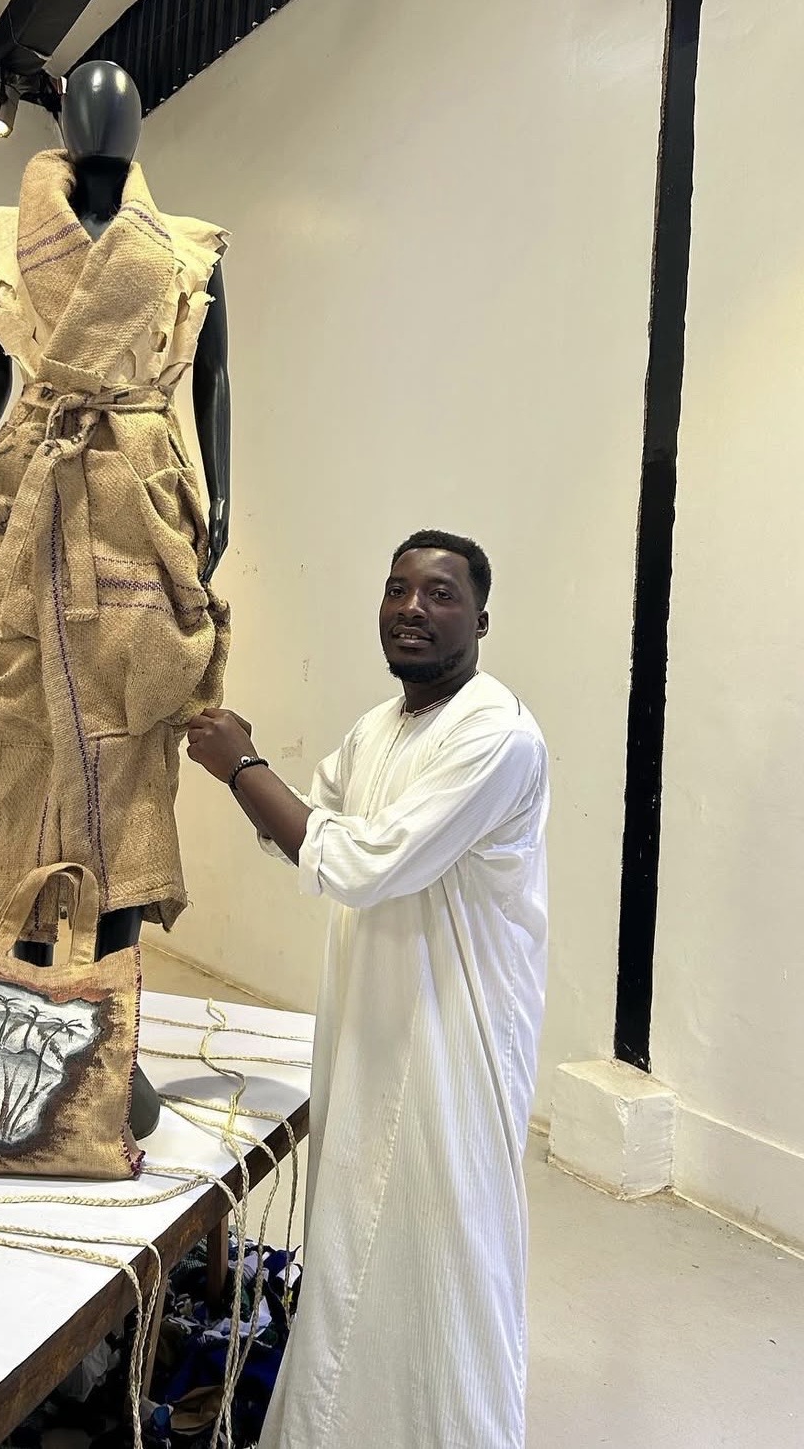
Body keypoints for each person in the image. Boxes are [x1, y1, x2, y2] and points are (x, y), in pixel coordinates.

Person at [186, 529, 549, 1449]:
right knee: (356, 1239)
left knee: (442, 1243)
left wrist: (240, 765)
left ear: (481, 618)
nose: (413, 609)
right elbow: (305, 828)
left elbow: (357, 862)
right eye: (397, 590)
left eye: (439, 594)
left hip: (451, 1033)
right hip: (373, 1023)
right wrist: (249, 773)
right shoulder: (380, 726)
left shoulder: (495, 733)